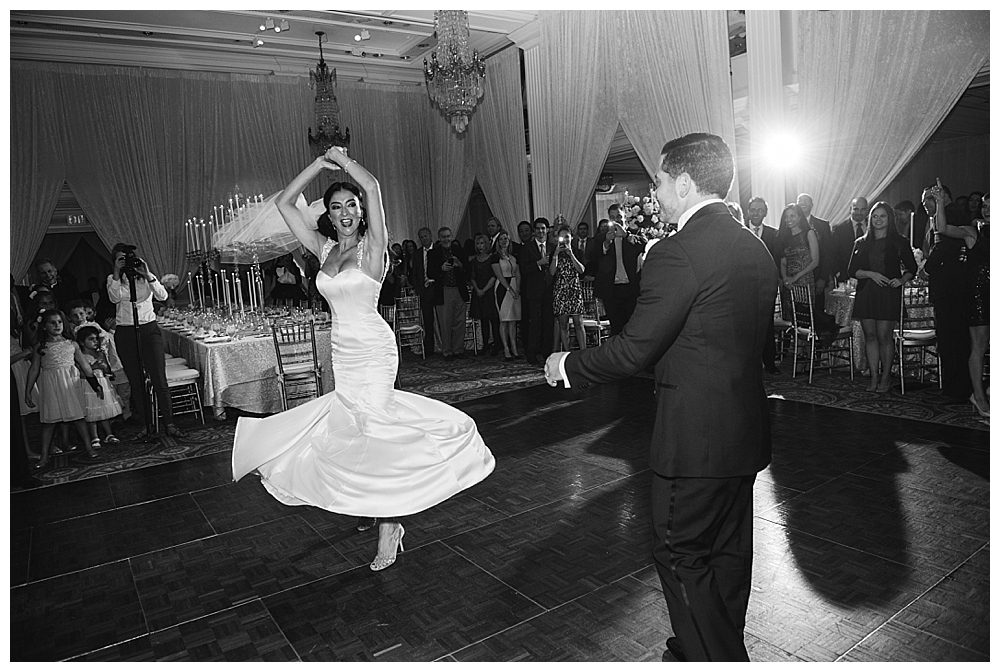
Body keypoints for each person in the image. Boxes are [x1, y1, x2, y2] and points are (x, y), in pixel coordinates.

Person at [544, 133, 777, 662]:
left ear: (686, 183)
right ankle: (704, 645)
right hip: (744, 430)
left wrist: (568, 364)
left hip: (695, 438)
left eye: (661, 179)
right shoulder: (754, 246)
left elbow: (633, 352)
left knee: (679, 551)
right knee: (729, 553)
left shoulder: (678, 252)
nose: (655, 190)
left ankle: (718, 658)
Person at [232, 147, 495, 572]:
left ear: (360, 210)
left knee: (375, 424)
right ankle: (370, 499)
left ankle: (389, 524)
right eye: (336, 207)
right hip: (342, 349)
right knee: (351, 424)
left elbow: (372, 185)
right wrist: (318, 166)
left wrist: (343, 160)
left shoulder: (374, 249)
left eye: (351, 204)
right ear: (330, 216)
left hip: (373, 349)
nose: (346, 212)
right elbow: (284, 203)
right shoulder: (323, 250)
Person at [107, 243, 182, 438]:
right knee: (136, 381)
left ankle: (170, 423)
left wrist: (148, 274)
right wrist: (117, 271)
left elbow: (163, 295)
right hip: (125, 332)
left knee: (159, 378)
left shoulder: (146, 277)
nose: (126, 262)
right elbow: (114, 298)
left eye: (128, 258)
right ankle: (148, 425)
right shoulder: (113, 279)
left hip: (149, 330)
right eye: (121, 259)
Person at [929, 187, 988, 416]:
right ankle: (978, 397)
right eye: (985, 206)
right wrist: (941, 202)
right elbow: (942, 229)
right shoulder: (973, 232)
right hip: (978, 295)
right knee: (978, 347)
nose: (987, 211)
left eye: (992, 207)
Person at [847, 202, 917, 393]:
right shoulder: (861, 242)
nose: (878, 220)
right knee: (870, 336)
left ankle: (886, 377)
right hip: (867, 293)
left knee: (884, 337)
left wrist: (901, 280)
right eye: (875, 216)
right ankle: (874, 376)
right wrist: (871, 274)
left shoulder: (899, 241)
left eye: (882, 216)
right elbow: (852, 271)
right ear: (870, 219)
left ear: (889, 219)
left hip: (888, 293)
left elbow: (912, 268)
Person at [24, 309, 102, 469]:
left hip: (69, 384)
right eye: (52, 322)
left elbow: (85, 366)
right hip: (51, 385)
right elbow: (34, 369)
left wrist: (95, 384)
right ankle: (44, 455)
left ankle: (88, 447)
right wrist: (28, 390)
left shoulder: (71, 344)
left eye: (59, 322)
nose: (56, 325)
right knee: (49, 422)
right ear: (44, 326)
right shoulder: (41, 346)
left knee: (78, 417)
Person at [921, 182, 974, 403]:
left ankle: (957, 390)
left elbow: (945, 247)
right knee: (950, 340)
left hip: (952, 288)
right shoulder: (947, 215)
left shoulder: (951, 213)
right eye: (923, 202)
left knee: (953, 341)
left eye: (929, 200)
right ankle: (952, 387)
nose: (925, 205)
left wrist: (926, 268)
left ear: (943, 197)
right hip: (950, 288)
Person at [594, 204, 642, 336]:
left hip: (631, 289)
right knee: (616, 328)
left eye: (619, 217)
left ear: (625, 216)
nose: (617, 220)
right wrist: (606, 244)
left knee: (633, 328)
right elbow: (592, 258)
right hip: (611, 290)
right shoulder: (601, 238)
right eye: (613, 217)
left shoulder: (634, 234)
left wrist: (626, 235)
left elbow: (643, 245)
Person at [746, 197, 781, 374]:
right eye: (753, 209)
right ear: (748, 211)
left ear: (765, 213)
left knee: (767, 325)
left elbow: (776, 262)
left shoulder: (774, 234)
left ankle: (769, 362)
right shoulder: (740, 232)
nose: (756, 213)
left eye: (760, 210)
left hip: (766, 288)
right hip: (744, 287)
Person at [76, 325, 123, 448]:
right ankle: (95, 436)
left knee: (103, 409)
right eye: (91, 339)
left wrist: (105, 367)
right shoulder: (81, 356)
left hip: (102, 382)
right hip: (88, 386)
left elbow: (107, 369)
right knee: (92, 411)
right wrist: (94, 367)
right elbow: (80, 373)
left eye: (96, 339)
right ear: (82, 342)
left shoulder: (100, 353)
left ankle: (109, 434)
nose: (95, 342)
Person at [427, 227, 470, 359]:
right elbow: (430, 273)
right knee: (445, 323)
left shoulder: (459, 250)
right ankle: (447, 351)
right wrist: (441, 269)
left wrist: (460, 266)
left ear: (451, 236)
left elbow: (469, 269)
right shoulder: (433, 253)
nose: (446, 239)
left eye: (448, 236)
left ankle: (458, 350)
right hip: (444, 290)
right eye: (443, 237)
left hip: (459, 290)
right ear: (439, 238)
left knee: (460, 321)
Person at [520, 217, 554, 365]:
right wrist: (538, 264)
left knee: (548, 321)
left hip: (550, 290)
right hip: (533, 290)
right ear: (534, 231)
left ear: (547, 230)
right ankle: (531, 352)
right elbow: (524, 269)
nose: (541, 231)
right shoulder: (527, 247)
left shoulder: (553, 246)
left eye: (543, 228)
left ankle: (546, 352)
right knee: (534, 322)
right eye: (538, 229)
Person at [549, 223, 587, 352]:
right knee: (563, 324)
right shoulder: (554, 253)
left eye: (567, 237)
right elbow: (552, 272)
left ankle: (583, 352)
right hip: (560, 291)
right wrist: (556, 255)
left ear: (571, 238)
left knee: (578, 323)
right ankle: (567, 352)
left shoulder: (578, 252)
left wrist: (571, 254)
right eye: (561, 237)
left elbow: (581, 270)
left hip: (574, 290)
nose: (565, 240)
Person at [491, 231, 522, 361]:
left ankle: (514, 346)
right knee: (504, 320)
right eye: (501, 239)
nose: (504, 241)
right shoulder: (495, 257)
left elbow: (518, 273)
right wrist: (510, 289)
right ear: (498, 242)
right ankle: (506, 348)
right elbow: (499, 275)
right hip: (503, 288)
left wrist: (518, 288)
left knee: (513, 320)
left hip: (515, 285)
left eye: (506, 239)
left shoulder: (513, 257)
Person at [469, 234, 499, 356]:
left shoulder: (492, 258)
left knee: (494, 320)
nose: (480, 246)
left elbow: (494, 275)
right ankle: (485, 345)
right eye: (478, 243)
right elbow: (472, 277)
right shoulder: (474, 260)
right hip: (479, 292)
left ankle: (497, 345)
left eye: (482, 243)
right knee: (483, 321)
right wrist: (478, 290)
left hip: (490, 293)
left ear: (486, 244)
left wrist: (485, 289)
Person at [411, 227, 438, 356]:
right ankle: (430, 348)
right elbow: (415, 273)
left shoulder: (438, 250)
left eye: (426, 236)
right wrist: (419, 289)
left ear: (430, 236)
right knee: (428, 320)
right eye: (421, 237)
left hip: (437, 289)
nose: (424, 239)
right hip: (424, 291)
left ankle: (444, 346)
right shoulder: (416, 254)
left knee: (441, 319)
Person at [830, 197, 869, 284]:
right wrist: (838, 273)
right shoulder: (839, 229)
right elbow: (832, 253)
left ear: (867, 210)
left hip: (870, 277)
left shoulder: (874, 226)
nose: (859, 212)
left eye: (862, 209)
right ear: (850, 209)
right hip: (845, 277)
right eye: (856, 209)